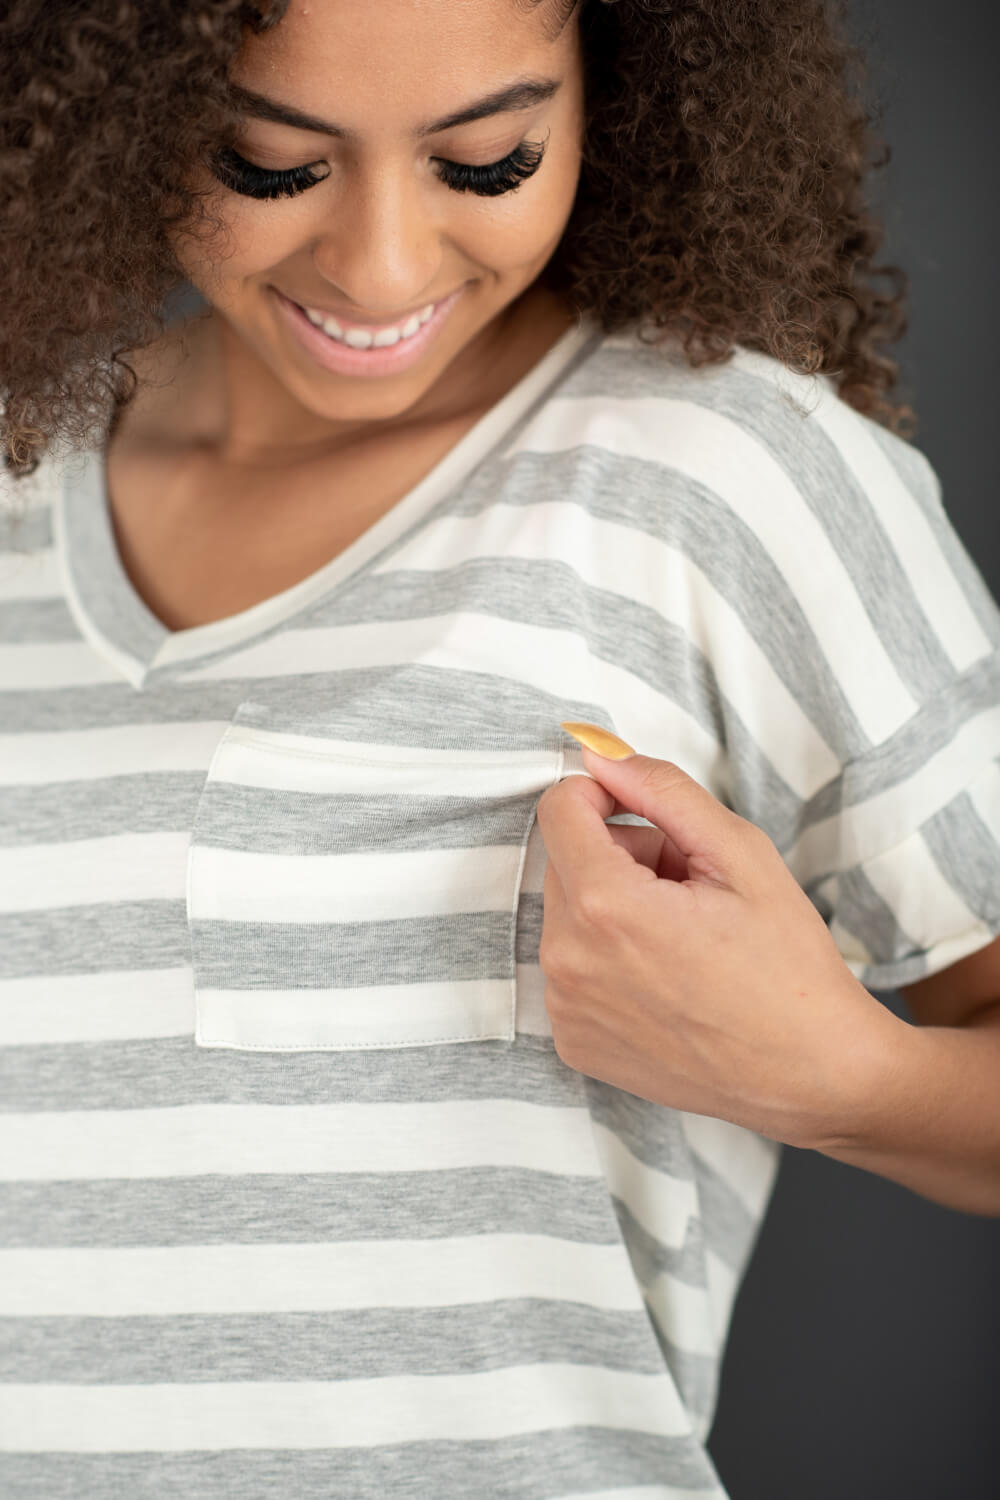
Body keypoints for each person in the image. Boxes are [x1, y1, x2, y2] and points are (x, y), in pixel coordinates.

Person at [1, 0, 998, 1495]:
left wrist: (836, 1075)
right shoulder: (18, 485)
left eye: (488, 159)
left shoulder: (725, 482)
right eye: (268, 163)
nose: (383, 267)